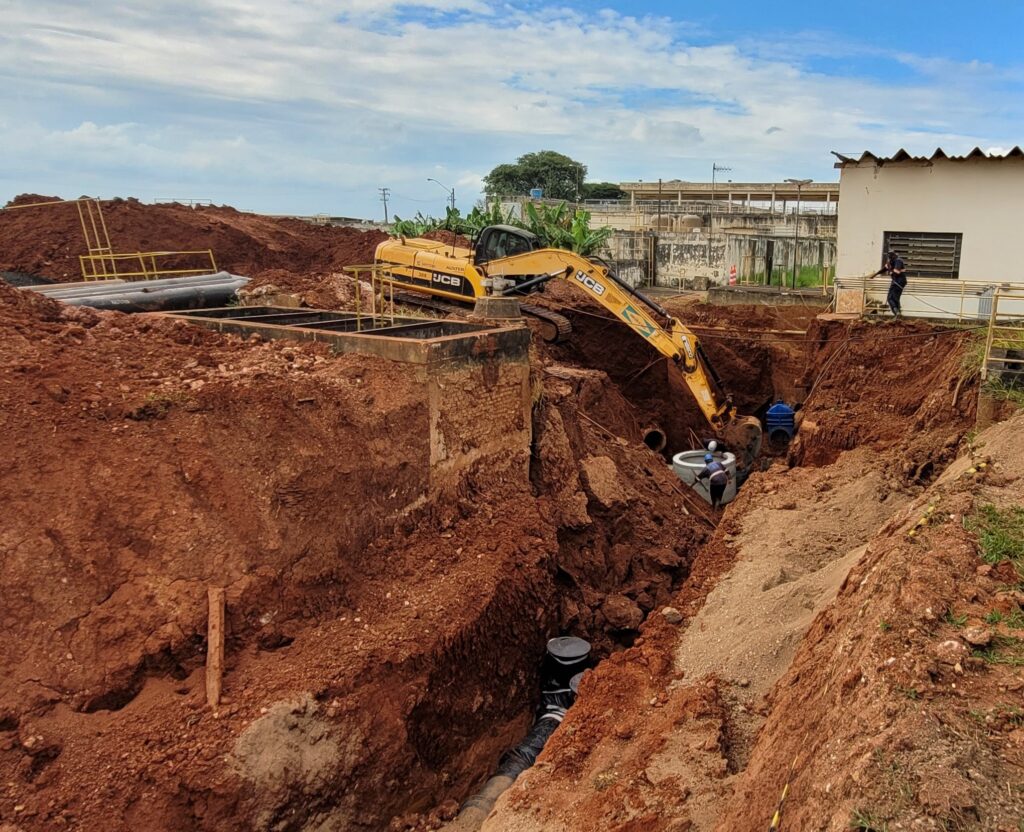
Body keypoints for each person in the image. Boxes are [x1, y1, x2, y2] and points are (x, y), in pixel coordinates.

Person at [875, 249, 907, 317]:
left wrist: (891, 272)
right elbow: (884, 269)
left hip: (899, 281)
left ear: (894, 255)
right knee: (895, 298)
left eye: (891, 256)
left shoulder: (898, 260)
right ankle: (898, 313)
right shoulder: (890, 262)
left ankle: (897, 313)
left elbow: (897, 271)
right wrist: (875, 274)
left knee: (890, 298)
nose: (890, 257)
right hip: (896, 281)